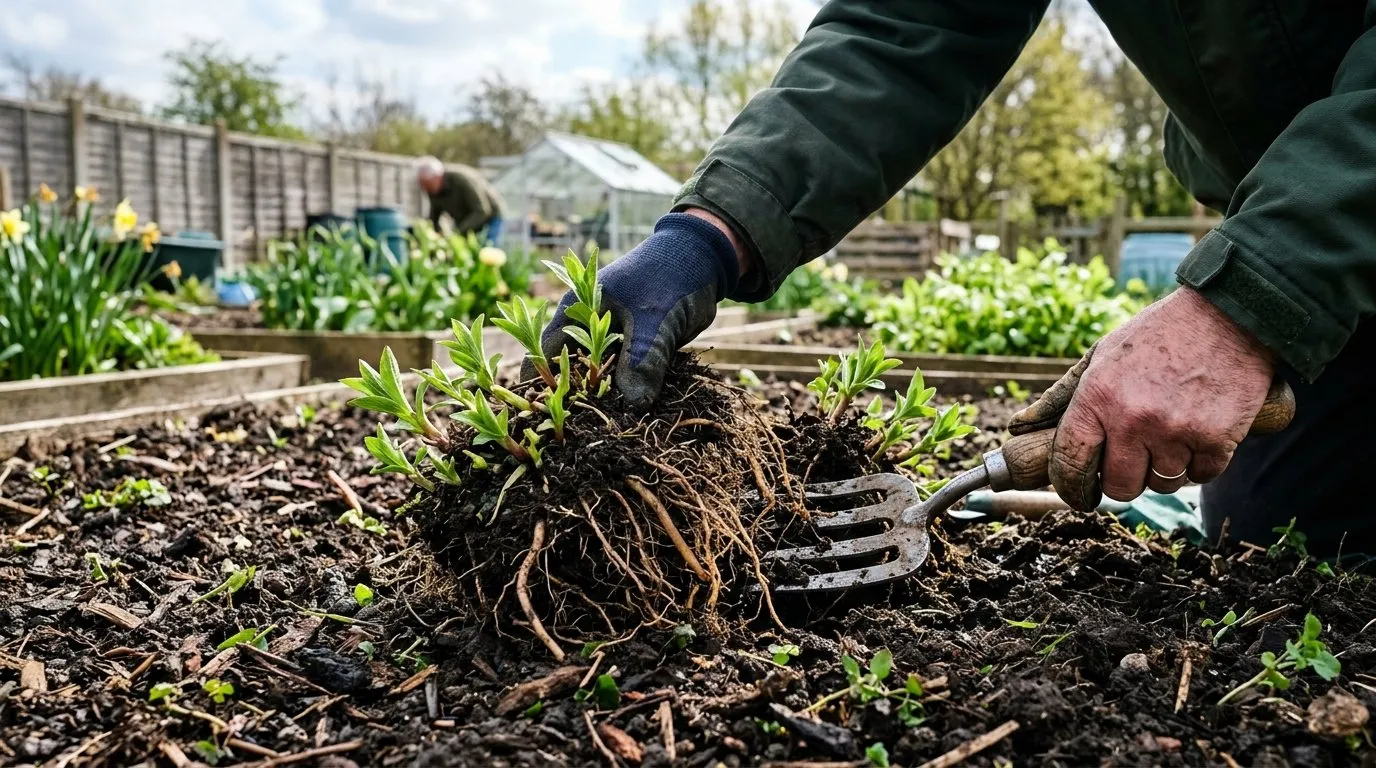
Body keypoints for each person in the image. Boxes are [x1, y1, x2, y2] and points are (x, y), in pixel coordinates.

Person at [540, 1, 1376, 557]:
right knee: (1278, 553)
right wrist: (712, 231)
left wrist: (1246, 301)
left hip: (1328, 208)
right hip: (1312, 235)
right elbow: (910, 21)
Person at [416, 156, 506, 245]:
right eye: (423, 185)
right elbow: (434, 218)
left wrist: (457, 233)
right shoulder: (432, 190)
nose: (425, 189)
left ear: (437, 177)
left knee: (488, 250)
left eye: (427, 185)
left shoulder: (461, 180)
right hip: (466, 220)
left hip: (490, 216)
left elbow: (482, 210)